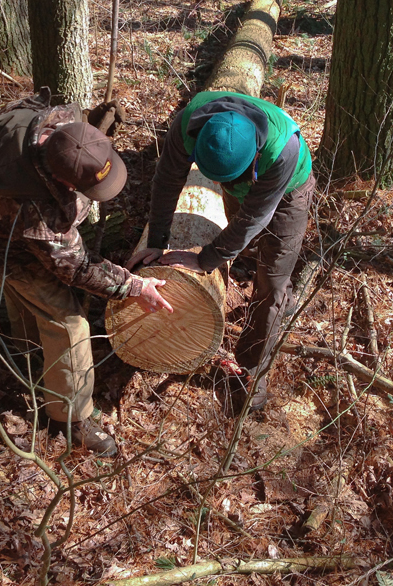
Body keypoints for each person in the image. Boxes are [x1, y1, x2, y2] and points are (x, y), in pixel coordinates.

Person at [0, 88, 171, 456]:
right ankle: (71, 418)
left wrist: (94, 133)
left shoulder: (58, 121)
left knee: (27, 299)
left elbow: (77, 137)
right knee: (68, 321)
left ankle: (29, 355)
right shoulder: (40, 213)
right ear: (65, 183)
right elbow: (77, 268)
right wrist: (135, 286)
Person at [128, 91, 314, 415]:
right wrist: (156, 241)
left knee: (271, 281)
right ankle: (244, 273)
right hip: (247, 180)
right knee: (241, 239)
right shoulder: (187, 124)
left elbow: (255, 216)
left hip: (289, 189)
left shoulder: (283, 150)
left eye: (231, 177)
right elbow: (167, 180)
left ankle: (251, 375)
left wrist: (206, 259)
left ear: (254, 158)